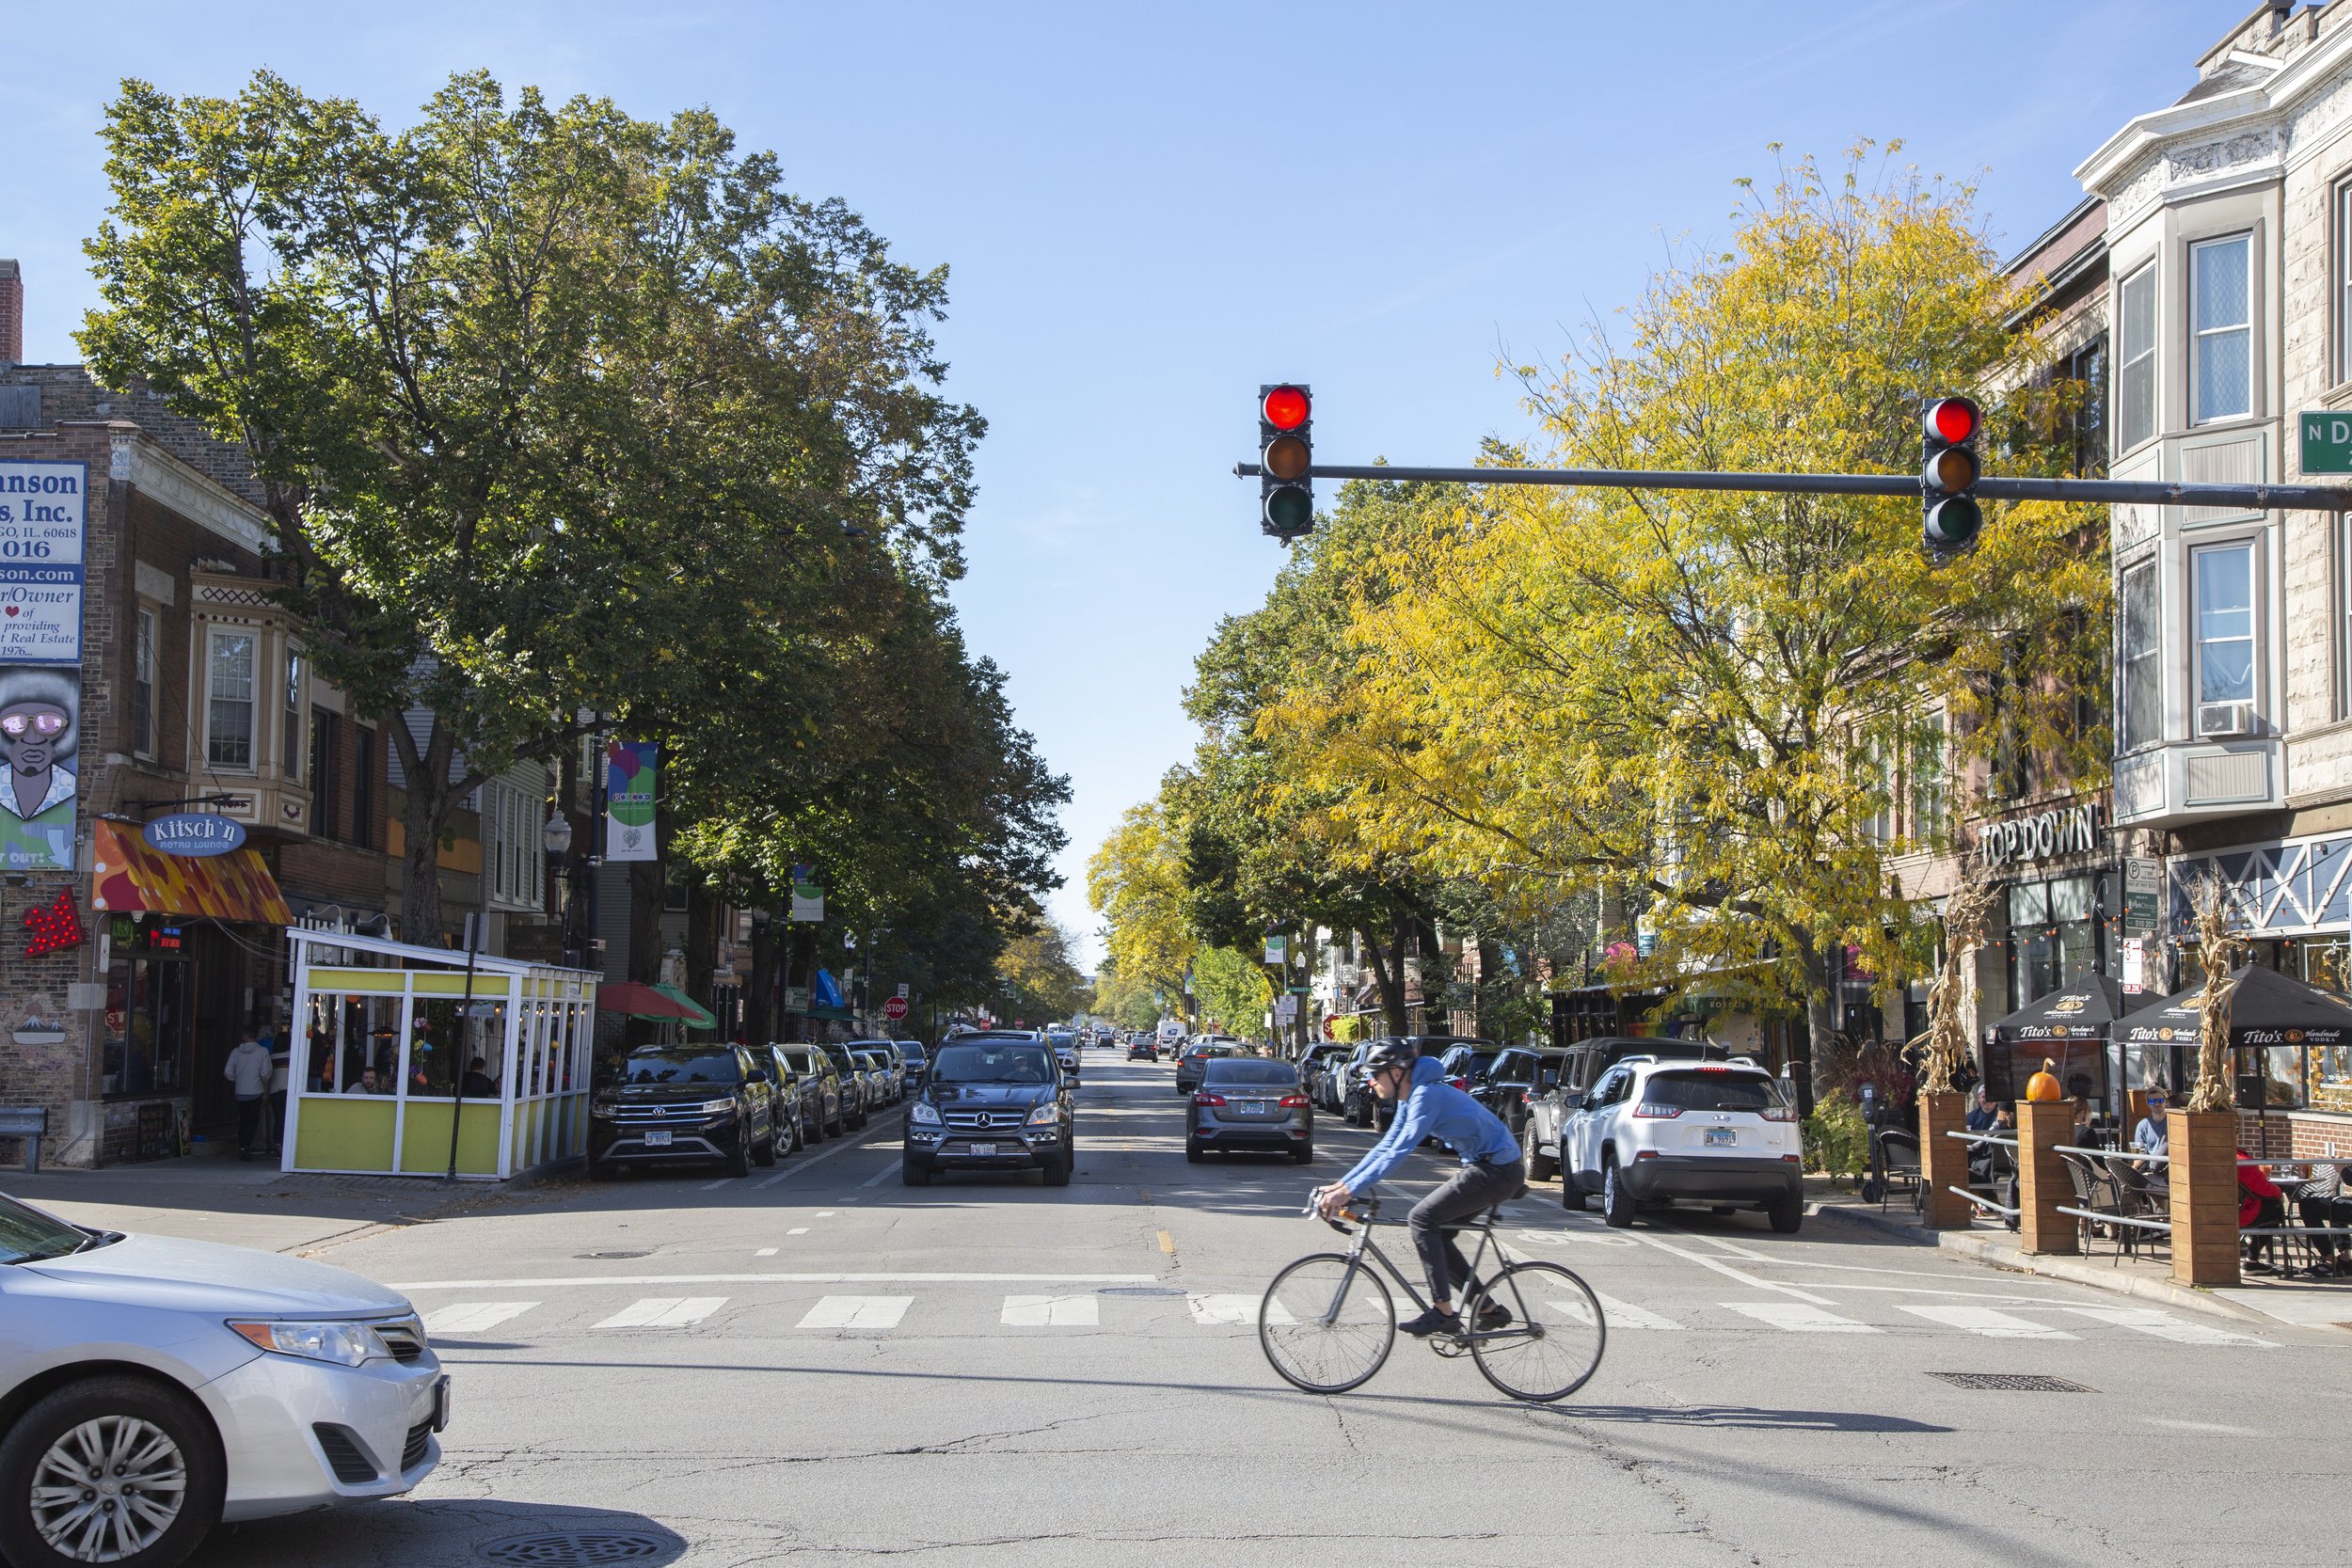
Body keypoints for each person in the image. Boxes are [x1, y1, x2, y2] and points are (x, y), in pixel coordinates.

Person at [1313, 1043, 1526, 1338]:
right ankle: (1488, 1309)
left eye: (1376, 1074)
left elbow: (1399, 1151)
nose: (1371, 1081)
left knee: (1422, 1219)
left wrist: (1347, 1192)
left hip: (1498, 1170)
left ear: (1397, 1072)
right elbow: (1385, 1146)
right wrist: (1342, 1186)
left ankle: (1443, 1312)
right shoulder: (1410, 1096)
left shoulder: (1427, 1096)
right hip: (1487, 1167)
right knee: (1439, 1234)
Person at [222, 1029, 274, 1162]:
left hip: (240, 1091)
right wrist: (262, 1084)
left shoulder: (235, 1052)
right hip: (256, 1091)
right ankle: (247, 1146)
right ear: (255, 1037)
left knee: (243, 1121)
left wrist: (238, 1079)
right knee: (253, 1121)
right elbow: (266, 1073)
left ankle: (242, 1146)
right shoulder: (262, 1052)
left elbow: (228, 1071)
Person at [2238, 1150, 2287, 1274]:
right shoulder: (2244, 1162)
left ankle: (2251, 1241)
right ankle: (2251, 1261)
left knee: (2270, 1209)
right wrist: (2279, 1193)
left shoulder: (2212, 1158)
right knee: (2275, 1209)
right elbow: (2267, 1190)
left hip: (2219, 1212)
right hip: (2242, 1215)